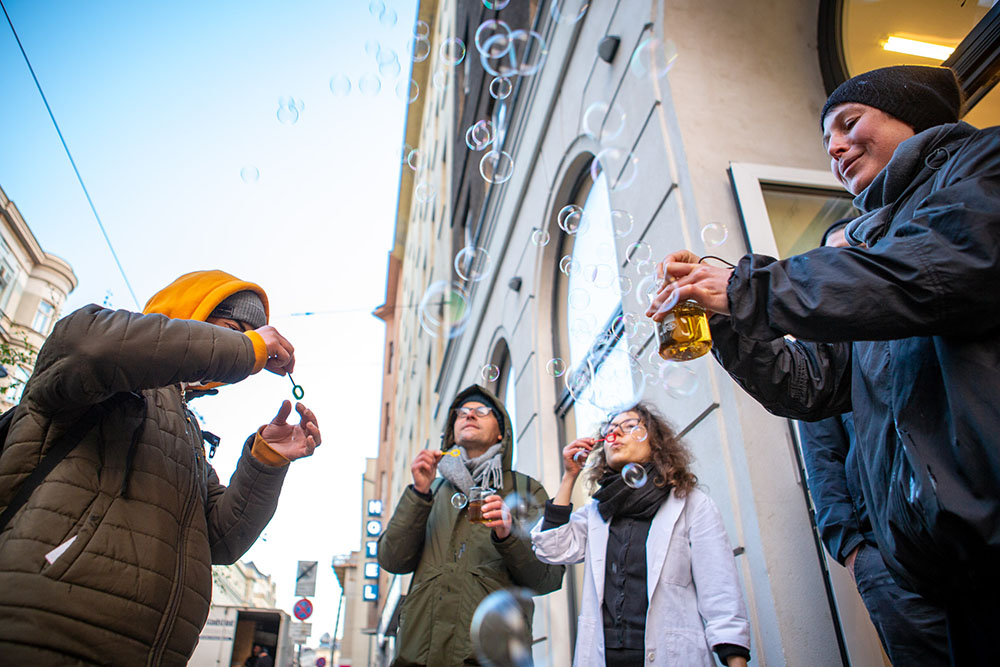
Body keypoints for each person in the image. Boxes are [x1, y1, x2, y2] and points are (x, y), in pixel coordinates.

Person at [647, 64, 1000, 663]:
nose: (835, 147)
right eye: (826, 139)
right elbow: (807, 388)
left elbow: (942, 267)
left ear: (912, 115)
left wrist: (746, 288)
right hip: (945, 572)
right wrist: (728, 317)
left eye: (849, 122)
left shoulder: (984, 163)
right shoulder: (869, 246)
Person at [0, 270, 322, 665]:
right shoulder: (96, 350)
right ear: (190, 313)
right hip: (45, 635)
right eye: (232, 330)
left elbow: (219, 540)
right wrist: (247, 349)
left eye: (247, 336)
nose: (240, 344)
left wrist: (264, 462)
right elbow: (95, 349)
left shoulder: (187, 432)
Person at [799, 221, 949, 665]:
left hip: (964, 535)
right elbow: (822, 457)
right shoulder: (825, 346)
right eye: (835, 257)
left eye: (860, 248)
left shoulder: (922, 311)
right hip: (882, 554)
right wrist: (853, 549)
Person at [530, 402, 751, 667]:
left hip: (673, 656)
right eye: (611, 429)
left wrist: (736, 661)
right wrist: (569, 476)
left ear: (655, 443)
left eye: (630, 426)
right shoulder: (597, 512)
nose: (616, 433)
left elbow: (720, 593)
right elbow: (551, 548)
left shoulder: (691, 504)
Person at [377, 385, 564, 667]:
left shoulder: (525, 488)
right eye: (462, 413)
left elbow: (548, 577)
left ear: (501, 432)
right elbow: (392, 559)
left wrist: (508, 535)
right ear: (451, 432)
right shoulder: (431, 490)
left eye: (481, 411)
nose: (470, 416)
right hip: (418, 658)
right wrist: (418, 494)